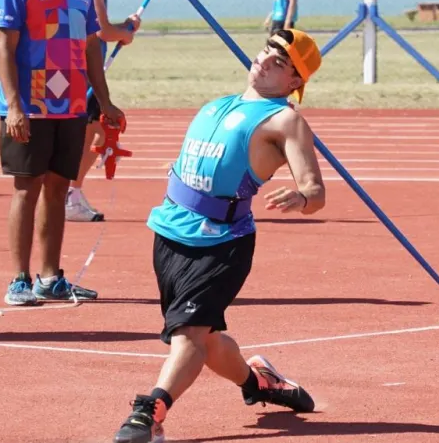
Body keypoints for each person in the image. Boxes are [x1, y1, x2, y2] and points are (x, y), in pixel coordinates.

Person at [112, 28, 326, 443]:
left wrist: (301, 198)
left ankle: (149, 412)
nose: (264, 62)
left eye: (280, 64)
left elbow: (316, 192)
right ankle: (259, 382)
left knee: (188, 334)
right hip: (170, 232)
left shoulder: (285, 120)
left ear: (295, 83)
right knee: (206, 340)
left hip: (221, 243)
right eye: (267, 52)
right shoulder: (217, 106)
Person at [0, 0, 132, 306]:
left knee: (57, 189)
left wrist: (103, 100)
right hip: (29, 105)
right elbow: (4, 45)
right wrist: (15, 106)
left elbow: (91, 45)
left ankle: (50, 276)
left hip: (70, 104)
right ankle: (19, 278)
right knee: (26, 188)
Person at [65, 0, 142, 222]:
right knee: (95, 132)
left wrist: (124, 28)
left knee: (94, 132)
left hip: (83, 67)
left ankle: (70, 192)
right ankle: (70, 194)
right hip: (86, 69)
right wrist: (126, 31)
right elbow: (102, 31)